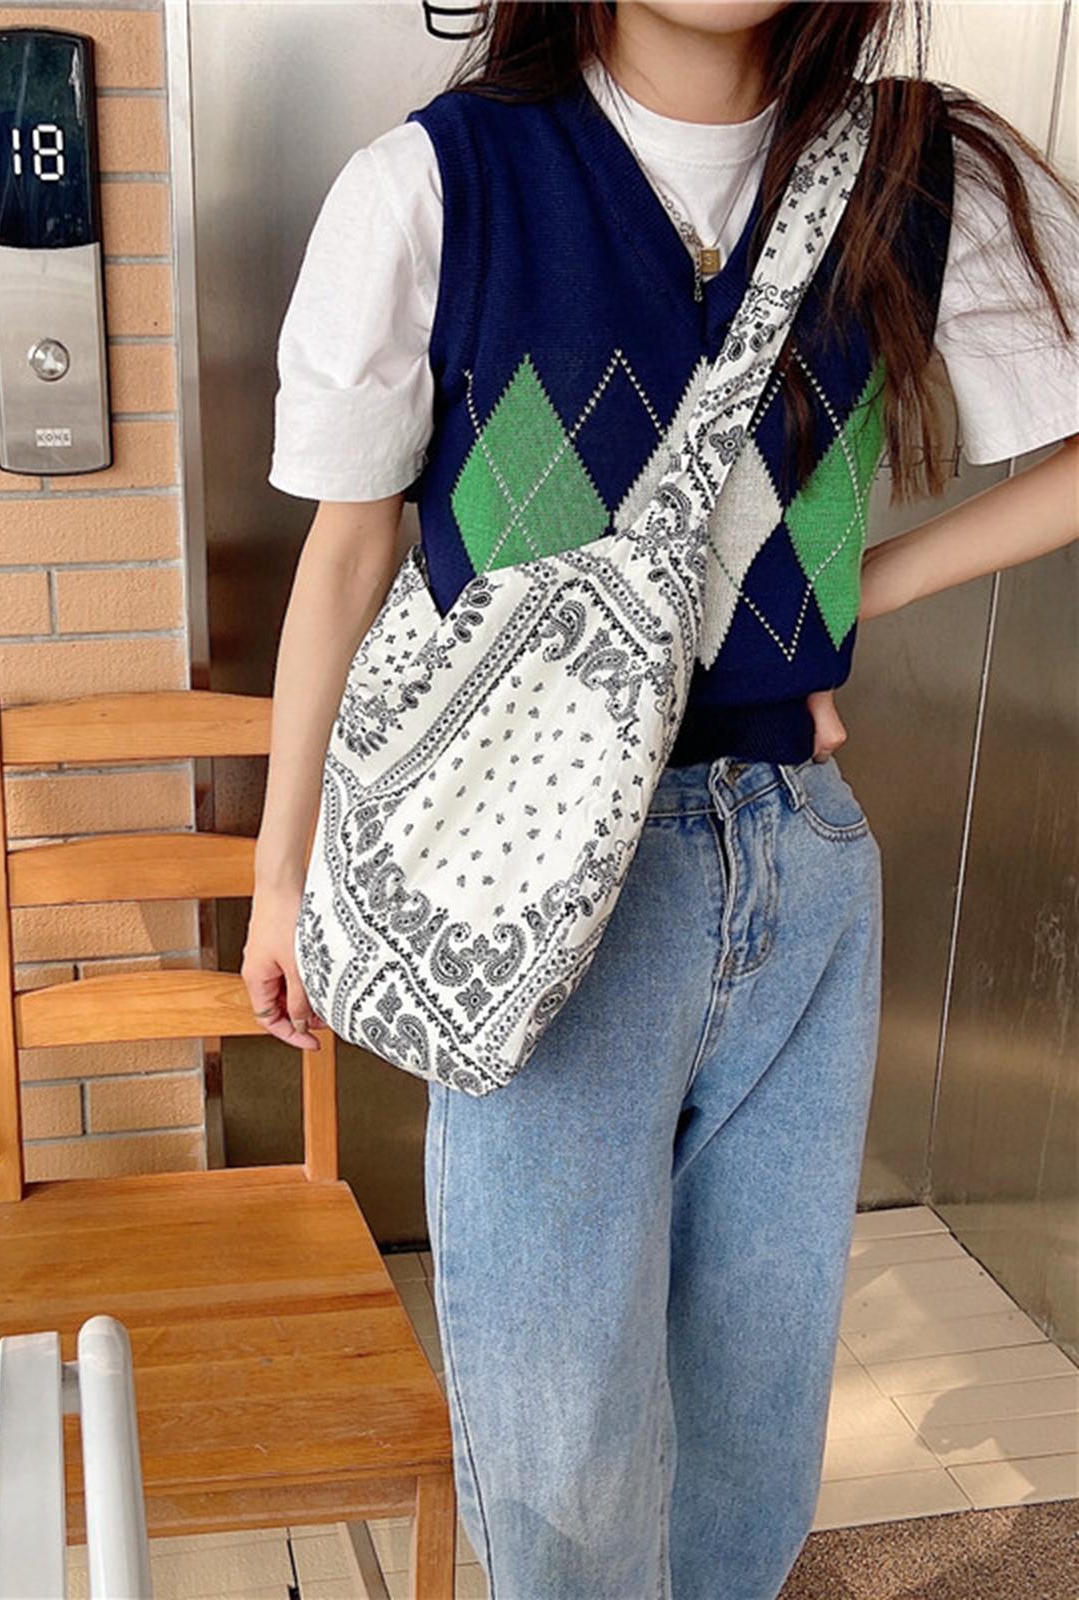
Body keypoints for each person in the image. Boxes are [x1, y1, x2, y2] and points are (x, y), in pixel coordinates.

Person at [241, 3, 1079, 1596]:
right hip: (527, 889)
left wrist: (849, 596)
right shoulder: (443, 183)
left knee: (754, 1416)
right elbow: (348, 552)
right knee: (558, 1447)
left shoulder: (915, 172)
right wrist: (283, 877)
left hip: (797, 856)